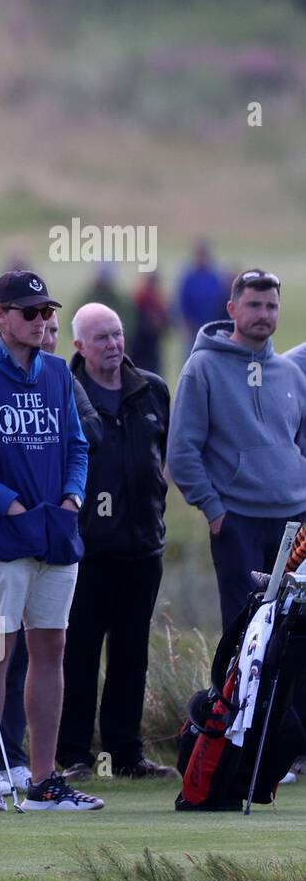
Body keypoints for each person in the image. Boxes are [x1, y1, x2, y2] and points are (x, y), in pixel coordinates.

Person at [0, 272, 103, 813]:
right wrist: (9, 503)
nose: (39, 323)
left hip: (55, 531)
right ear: (1, 314)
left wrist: (74, 499)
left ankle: (43, 781)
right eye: (28, 313)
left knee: (50, 649)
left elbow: (78, 446)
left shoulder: (57, 373)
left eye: (45, 313)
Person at [58, 303, 176, 780]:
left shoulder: (153, 390)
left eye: (117, 335)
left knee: (131, 653)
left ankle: (127, 755)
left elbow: (160, 455)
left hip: (142, 546)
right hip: (86, 549)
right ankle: (73, 756)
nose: (113, 345)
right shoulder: (65, 391)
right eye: (101, 338)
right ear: (80, 347)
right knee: (79, 652)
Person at [168, 269, 306, 630]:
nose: (264, 314)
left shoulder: (290, 373)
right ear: (232, 308)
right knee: (244, 630)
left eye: (271, 306)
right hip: (238, 522)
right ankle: (231, 690)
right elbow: (182, 454)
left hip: (296, 520)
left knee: (294, 629)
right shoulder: (203, 368)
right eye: (254, 305)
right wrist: (216, 514)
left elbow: (300, 446)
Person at [176, 240, 228, 353]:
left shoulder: (215, 276)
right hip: (192, 327)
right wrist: (185, 322)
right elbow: (182, 301)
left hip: (212, 326)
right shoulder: (188, 276)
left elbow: (221, 300)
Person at [130, 272, 169, 378]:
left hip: (153, 343)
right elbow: (135, 319)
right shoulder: (140, 297)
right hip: (140, 343)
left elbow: (165, 321)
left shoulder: (158, 299)